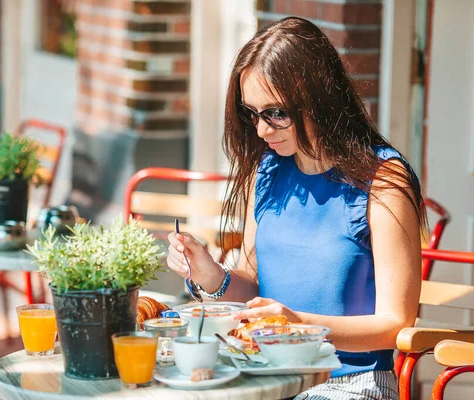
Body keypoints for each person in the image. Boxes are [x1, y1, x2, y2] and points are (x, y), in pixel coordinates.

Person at [166, 17, 424, 400]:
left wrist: (298, 325)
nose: (261, 131)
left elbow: (395, 323)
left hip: (348, 383)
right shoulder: (267, 173)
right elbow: (253, 282)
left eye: (276, 113)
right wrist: (210, 275)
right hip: (264, 373)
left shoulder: (384, 181)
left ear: (319, 96)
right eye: (252, 114)